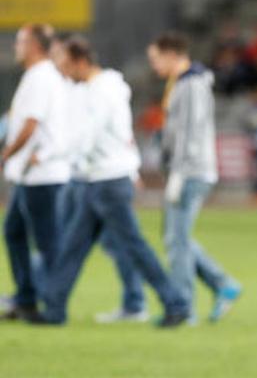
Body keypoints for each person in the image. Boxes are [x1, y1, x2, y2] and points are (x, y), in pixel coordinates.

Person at [26, 37, 189, 327]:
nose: (62, 71)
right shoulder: (98, 88)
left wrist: (49, 155)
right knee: (72, 248)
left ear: (80, 61)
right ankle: (53, 309)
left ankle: (175, 304)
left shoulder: (102, 92)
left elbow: (88, 135)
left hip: (109, 182)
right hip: (96, 180)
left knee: (133, 247)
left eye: (64, 64)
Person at [49, 34, 150, 323]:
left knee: (115, 243)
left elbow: (115, 133)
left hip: (95, 176)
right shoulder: (74, 87)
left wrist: (131, 169)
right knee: (77, 242)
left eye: (62, 59)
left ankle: (144, 301)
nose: (59, 66)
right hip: (80, 174)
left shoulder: (100, 88)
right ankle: (50, 302)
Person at [147, 32, 241, 323]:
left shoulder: (190, 84)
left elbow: (189, 131)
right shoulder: (185, 82)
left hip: (190, 170)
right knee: (177, 238)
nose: (153, 65)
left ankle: (184, 308)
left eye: (155, 58)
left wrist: (178, 171)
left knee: (176, 241)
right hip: (188, 169)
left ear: (171, 54)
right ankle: (222, 284)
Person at [0, 24, 69, 321]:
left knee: (48, 242)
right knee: (14, 231)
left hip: (42, 174)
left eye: (21, 42)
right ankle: (26, 297)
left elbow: (31, 124)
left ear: (35, 46)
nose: (17, 47)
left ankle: (54, 306)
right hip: (28, 173)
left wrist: (5, 154)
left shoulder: (41, 78)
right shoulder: (37, 76)